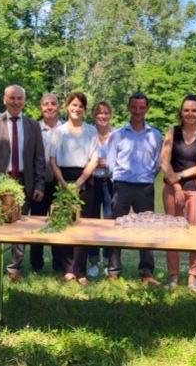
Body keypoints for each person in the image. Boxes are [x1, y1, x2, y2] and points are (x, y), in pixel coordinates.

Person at [0, 84, 46, 281]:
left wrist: (40, 185)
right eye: (12, 98)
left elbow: (39, 158)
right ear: (4, 99)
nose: (16, 102)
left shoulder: (33, 125)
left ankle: (14, 268)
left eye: (19, 98)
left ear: (24, 101)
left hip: (23, 183)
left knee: (20, 227)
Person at [105, 92, 162, 285]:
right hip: (122, 187)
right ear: (129, 108)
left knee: (146, 230)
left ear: (146, 109)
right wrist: (120, 178)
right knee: (116, 228)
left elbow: (157, 163)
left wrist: (146, 177)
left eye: (141, 107)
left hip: (145, 187)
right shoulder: (118, 134)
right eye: (134, 107)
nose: (138, 111)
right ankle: (113, 269)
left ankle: (146, 272)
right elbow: (111, 162)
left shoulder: (155, 134)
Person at [49, 92, 99, 285]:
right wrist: (62, 182)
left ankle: (81, 270)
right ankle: (68, 269)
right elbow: (52, 159)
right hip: (62, 179)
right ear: (67, 107)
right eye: (73, 105)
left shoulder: (91, 131)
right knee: (65, 225)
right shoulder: (59, 131)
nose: (76, 109)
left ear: (84, 110)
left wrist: (79, 182)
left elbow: (94, 159)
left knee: (83, 227)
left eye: (80, 106)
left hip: (84, 181)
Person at [160, 94, 196, 292]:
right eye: (186, 110)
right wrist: (177, 185)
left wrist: (180, 176)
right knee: (172, 232)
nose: (190, 113)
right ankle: (173, 277)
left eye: (194, 110)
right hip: (172, 189)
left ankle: (192, 278)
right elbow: (164, 161)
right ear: (181, 112)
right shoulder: (172, 132)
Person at [31, 93, 63, 272]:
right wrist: (38, 184)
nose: (49, 107)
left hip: (60, 184)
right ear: (40, 107)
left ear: (58, 106)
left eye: (53, 104)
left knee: (59, 223)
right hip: (39, 183)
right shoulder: (34, 127)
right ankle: (37, 264)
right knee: (37, 224)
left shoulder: (65, 128)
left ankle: (59, 264)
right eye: (45, 104)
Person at [88, 101, 114, 277]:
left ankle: (108, 262)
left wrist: (109, 163)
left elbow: (122, 160)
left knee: (110, 221)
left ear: (110, 115)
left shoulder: (117, 135)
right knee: (91, 221)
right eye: (99, 113)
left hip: (110, 182)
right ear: (94, 116)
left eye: (105, 113)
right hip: (92, 181)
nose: (102, 116)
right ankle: (93, 261)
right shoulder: (88, 133)